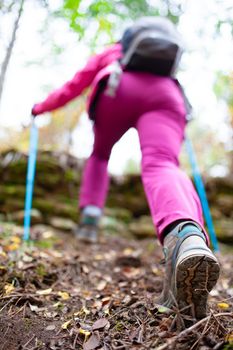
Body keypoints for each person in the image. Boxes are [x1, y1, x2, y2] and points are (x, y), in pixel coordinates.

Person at [32, 17, 220, 320]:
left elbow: (75, 85)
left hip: (117, 88)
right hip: (166, 94)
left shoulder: (112, 52)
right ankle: (186, 236)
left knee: (100, 155)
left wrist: (40, 108)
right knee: (162, 164)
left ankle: (90, 219)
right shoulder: (163, 63)